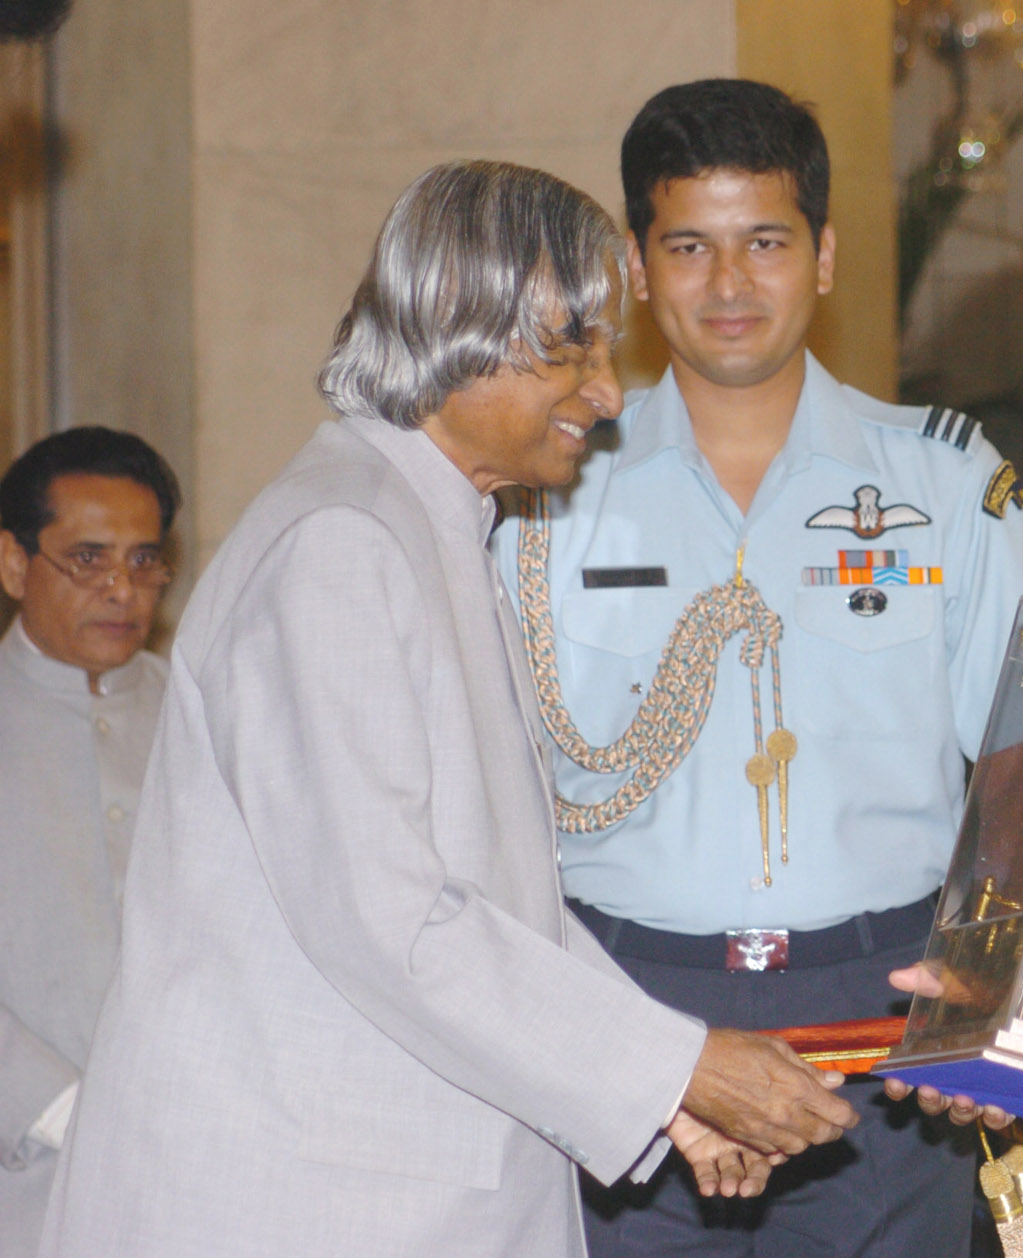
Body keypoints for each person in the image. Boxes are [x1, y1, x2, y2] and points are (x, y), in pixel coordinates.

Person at [36, 160, 855, 1258]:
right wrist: (677, 1064)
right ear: (456, 329)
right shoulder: (341, 542)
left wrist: (667, 1086)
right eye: (575, 346)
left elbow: (493, 893)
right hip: (306, 1203)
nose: (608, 393)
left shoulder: (427, 527)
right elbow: (386, 912)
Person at [492, 79, 1023, 1257]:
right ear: (637, 270)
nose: (731, 285)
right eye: (690, 246)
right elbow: (486, 775)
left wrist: (992, 982)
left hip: (885, 1016)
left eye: (766, 242)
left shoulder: (944, 481)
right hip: (626, 1015)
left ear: (826, 254)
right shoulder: (546, 491)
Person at [0, 427, 177, 1256]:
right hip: (25, 1171)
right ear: (12, 564)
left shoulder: (206, 716)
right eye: (88, 559)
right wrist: (61, 1109)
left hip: (194, 1164)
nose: (122, 589)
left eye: (145, 560)